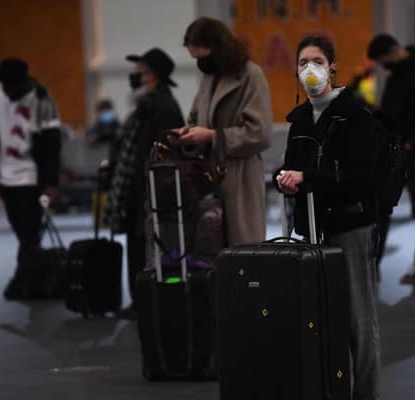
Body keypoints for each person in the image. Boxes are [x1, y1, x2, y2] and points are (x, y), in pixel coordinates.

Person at [274, 36, 380, 400]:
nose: (309, 70)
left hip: (351, 225)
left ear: (332, 67)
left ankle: (365, 394)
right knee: (318, 317)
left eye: (316, 61)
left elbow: (361, 179)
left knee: (357, 321)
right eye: (302, 63)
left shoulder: (355, 115)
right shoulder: (299, 119)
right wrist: (286, 178)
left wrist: (308, 179)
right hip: (313, 230)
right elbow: (294, 165)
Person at [173, 17, 273, 246]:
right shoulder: (209, 78)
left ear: (216, 48)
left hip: (241, 178)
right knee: (210, 253)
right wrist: (188, 133)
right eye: (195, 58)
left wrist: (212, 136)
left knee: (243, 253)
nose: (199, 63)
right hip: (208, 177)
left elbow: (260, 132)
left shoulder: (251, 75)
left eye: (201, 56)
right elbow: (196, 117)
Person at [0, 58, 61, 300]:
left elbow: (53, 144)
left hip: (32, 177)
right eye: (6, 87)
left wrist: (52, 183)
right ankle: (33, 277)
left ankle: (20, 282)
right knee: (21, 231)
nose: (9, 93)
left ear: (24, 82)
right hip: (5, 176)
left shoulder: (42, 99)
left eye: (14, 88)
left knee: (30, 232)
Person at [104, 47, 184, 315]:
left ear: (155, 76)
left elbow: (166, 153)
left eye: (142, 73)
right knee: (136, 245)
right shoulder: (145, 106)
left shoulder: (163, 107)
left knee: (147, 245)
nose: (135, 78)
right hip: (137, 188)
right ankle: (140, 300)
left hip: (150, 190)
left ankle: (147, 300)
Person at [367, 34, 415, 285]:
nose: (382, 65)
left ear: (394, 50)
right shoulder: (396, 75)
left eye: (382, 59)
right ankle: (373, 265)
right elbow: (392, 111)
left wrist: (412, 141)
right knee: (382, 206)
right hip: (393, 149)